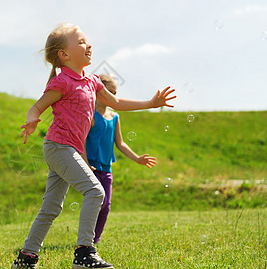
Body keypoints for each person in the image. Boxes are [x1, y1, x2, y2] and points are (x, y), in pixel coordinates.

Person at [12, 23, 176, 269]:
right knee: (95, 191)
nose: (88, 45)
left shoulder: (92, 81)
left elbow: (116, 103)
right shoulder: (62, 82)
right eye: (80, 42)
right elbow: (37, 106)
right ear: (64, 55)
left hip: (68, 149)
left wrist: (150, 103)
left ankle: (26, 258)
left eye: (86, 41)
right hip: (58, 147)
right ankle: (84, 252)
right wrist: (31, 120)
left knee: (51, 208)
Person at [83, 74, 157, 246]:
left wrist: (137, 158)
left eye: (115, 92)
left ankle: (95, 239)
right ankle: (86, 239)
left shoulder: (115, 117)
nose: (113, 96)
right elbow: (82, 141)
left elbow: (120, 143)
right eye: (109, 91)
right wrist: (85, 163)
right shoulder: (89, 114)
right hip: (90, 167)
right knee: (95, 203)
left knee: (106, 205)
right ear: (97, 90)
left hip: (106, 167)